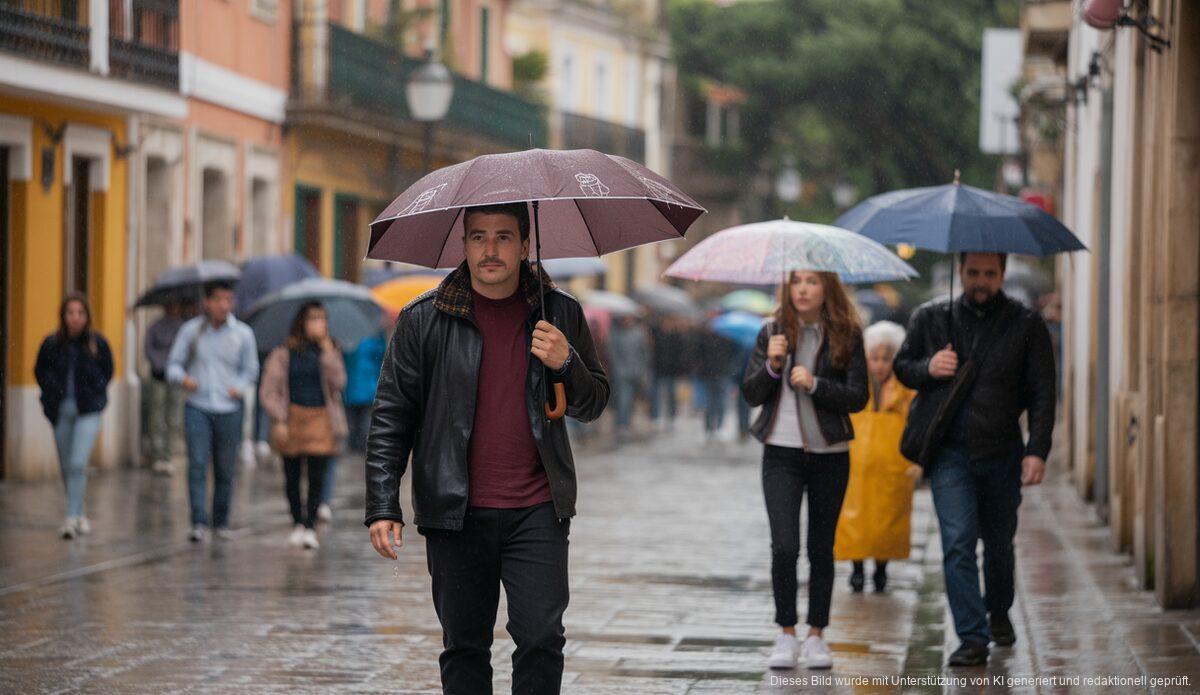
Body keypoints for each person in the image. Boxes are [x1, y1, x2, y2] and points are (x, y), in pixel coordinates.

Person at [365, 202, 609, 695]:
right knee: (465, 646)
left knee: (542, 638)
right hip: (455, 511)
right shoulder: (422, 320)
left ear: (525, 244)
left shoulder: (559, 312)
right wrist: (382, 504)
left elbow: (593, 403)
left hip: (537, 508)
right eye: (478, 237)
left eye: (503, 237)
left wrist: (567, 363)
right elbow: (392, 415)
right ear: (464, 245)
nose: (490, 250)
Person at [894, 252, 1055, 667]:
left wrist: (1037, 449)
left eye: (988, 274)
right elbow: (903, 367)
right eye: (972, 273)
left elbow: (1042, 392)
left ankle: (998, 610)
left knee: (998, 545)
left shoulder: (1026, 324)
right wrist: (929, 366)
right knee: (958, 542)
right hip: (950, 452)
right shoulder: (932, 318)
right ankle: (972, 636)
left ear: (1001, 274)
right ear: (960, 272)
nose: (979, 281)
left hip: (1002, 451)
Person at [742, 270, 868, 671]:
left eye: (812, 281)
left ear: (827, 287)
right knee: (784, 546)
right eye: (795, 280)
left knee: (821, 547)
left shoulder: (847, 333)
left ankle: (816, 634)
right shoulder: (771, 332)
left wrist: (815, 384)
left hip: (830, 454)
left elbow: (859, 396)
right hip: (780, 453)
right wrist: (773, 366)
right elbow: (751, 392)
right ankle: (786, 632)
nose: (802, 288)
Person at [167, 280, 260, 543]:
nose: (224, 305)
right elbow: (173, 365)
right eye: (219, 300)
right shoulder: (191, 331)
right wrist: (183, 379)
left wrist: (239, 387)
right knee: (196, 463)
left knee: (225, 468)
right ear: (207, 302)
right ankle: (198, 521)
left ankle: (220, 522)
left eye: (229, 300)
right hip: (197, 405)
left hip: (230, 408)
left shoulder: (242, 334)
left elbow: (250, 369)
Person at [833, 321, 920, 593]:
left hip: (893, 464)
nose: (880, 365)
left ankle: (881, 568)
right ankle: (857, 567)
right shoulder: (857, 385)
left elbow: (915, 422)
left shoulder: (905, 389)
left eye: (887, 359)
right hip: (857, 463)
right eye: (875, 358)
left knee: (888, 519)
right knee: (853, 518)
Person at [260, 301, 348, 550]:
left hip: (321, 418)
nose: (319, 323)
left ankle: (310, 525)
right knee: (292, 475)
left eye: (323, 318)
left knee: (318, 475)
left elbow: (340, 382)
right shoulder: (283, 353)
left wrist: (328, 351)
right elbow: (269, 390)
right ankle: (297, 521)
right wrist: (278, 417)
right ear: (302, 321)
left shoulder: (329, 350)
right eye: (314, 318)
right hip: (292, 418)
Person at [34, 294, 114, 539]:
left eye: (80, 313)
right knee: (67, 466)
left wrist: (94, 390)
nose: (75, 318)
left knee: (78, 463)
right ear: (63, 315)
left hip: (88, 411)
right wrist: (51, 392)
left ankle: (70, 518)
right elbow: (40, 370)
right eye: (71, 312)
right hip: (61, 411)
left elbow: (108, 371)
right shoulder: (51, 343)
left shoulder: (97, 343)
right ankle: (79, 512)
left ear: (87, 316)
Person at [143, 300, 187, 475]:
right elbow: (148, 348)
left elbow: (186, 352)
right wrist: (159, 363)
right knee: (156, 415)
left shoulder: (183, 329)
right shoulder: (155, 327)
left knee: (174, 416)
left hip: (175, 379)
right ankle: (158, 454)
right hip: (158, 375)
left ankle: (168, 454)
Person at [605, 314, 649, 441]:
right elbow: (612, 353)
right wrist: (618, 368)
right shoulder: (615, 334)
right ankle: (621, 424)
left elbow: (644, 353)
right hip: (622, 373)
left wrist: (643, 369)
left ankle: (626, 422)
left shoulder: (640, 333)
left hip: (636, 371)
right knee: (624, 398)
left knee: (631, 400)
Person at [697, 322, 739, 443]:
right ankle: (712, 428)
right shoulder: (721, 340)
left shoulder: (726, 341)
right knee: (714, 402)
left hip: (719, 374)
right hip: (715, 374)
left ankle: (714, 428)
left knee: (716, 402)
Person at [648, 316, 685, 431]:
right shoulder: (656, 334)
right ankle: (656, 417)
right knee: (656, 395)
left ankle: (671, 418)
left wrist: (679, 368)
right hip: (658, 369)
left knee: (671, 395)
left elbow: (680, 354)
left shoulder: (676, 336)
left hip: (671, 371)